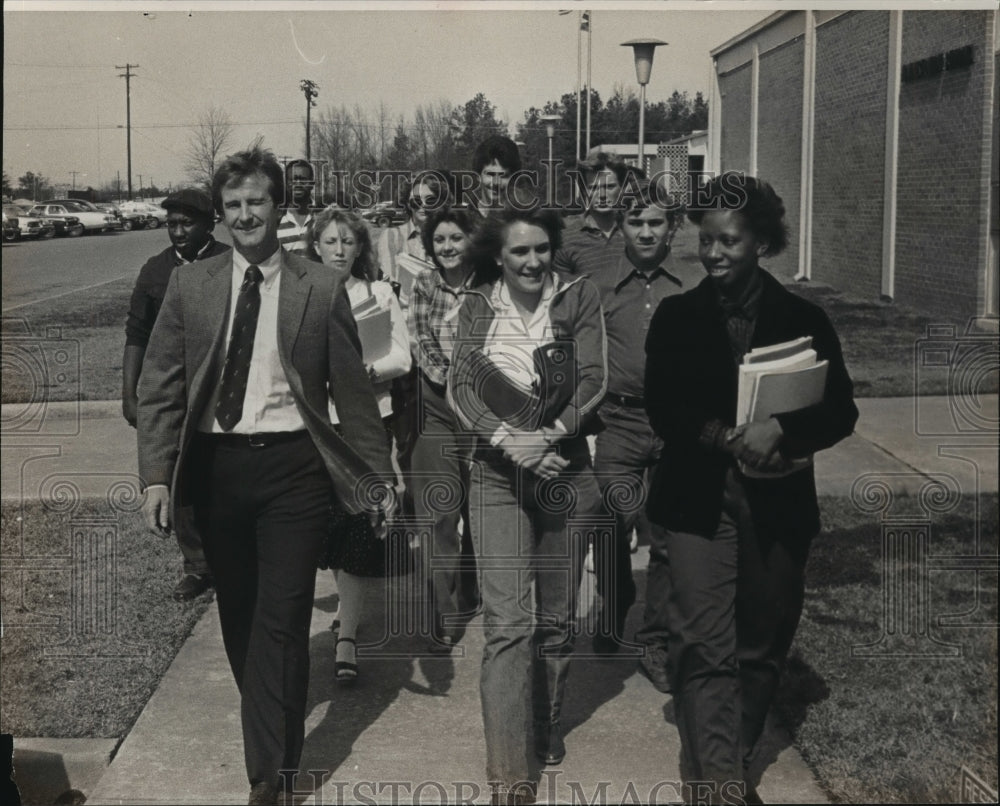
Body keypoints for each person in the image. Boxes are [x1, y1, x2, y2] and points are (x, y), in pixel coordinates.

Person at [137, 145, 394, 805]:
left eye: (257, 202)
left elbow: (355, 395)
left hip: (294, 471)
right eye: (233, 206)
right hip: (217, 473)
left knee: (281, 623)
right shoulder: (190, 286)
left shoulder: (320, 286)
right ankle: (272, 734)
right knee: (241, 621)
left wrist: (374, 478)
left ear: (278, 207)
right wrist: (156, 477)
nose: (245, 215)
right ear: (221, 217)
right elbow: (161, 386)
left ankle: (271, 778)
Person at [644, 173, 858, 803]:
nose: (712, 253)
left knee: (762, 641)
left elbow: (841, 410)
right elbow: (663, 407)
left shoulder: (805, 318)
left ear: (762, 242)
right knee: (701, 639)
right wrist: (724, 436)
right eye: (705, 240)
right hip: (696, 502)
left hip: (778, 503)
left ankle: (727, 755)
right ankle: (718, 784)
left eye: (728, 242)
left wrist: (783, 430)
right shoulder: (678, 318)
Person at [449, 202, 606, 803]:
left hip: (565, 469)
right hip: (495, 475)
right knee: (508, 626)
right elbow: (461, 384)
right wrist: (510, 442)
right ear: (499, 256)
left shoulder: (578, 296)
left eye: (541, 248)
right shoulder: (476, 303)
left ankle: (544, 722)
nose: (533, 260)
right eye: (520, 251)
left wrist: (548, 434)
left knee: (558, 621)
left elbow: (595, 378)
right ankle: (511, 781)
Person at [587, 181, 700, 685]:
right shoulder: (600, 284)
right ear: (623, 226)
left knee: (665, 537)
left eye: (656, 222)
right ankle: (615, 600)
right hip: (620, 419)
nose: (647, 231)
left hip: (678, 423)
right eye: (636, 222)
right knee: (609, 519)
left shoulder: (696, 281)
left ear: (672, 226)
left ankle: (655, 641)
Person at [308, 206, 411, 686]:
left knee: (359, 527)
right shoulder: (305, 296)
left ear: (360, 248)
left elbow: (401, 356)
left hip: (369, 420)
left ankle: (346, 637)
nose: (339, 251)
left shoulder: (378, 293)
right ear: (315, 247)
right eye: (330, 242)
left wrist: (365, 374)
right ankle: (347, 612)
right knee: (329, 528)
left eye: (348, 242)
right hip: (318, 427)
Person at [122, 187, 231, 602]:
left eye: (187, 223)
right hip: (175, 389)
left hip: (222, 386)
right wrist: (130, 393)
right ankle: (198, 566)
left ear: (209, 224)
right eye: (171, 224)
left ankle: (231, 556)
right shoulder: (155, 270)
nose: (178, 231)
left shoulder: (229, 262)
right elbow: (137, 331)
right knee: (181, 476)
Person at [408, 205, 480, 651]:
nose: (448, 247)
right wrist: (450, 378)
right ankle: (443, 609)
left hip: (487, 409)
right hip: (436, 406)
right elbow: (419, 339)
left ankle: (471, 593)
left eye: (456, 238)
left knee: (482, 512)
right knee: (439, 512)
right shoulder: (424, 284)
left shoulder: (491, 286)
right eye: (440, 240)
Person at [468, 135, 522, 217]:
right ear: (478, 176)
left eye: (503, 176)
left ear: (514, 178)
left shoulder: (522, 223)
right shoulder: (463, 220)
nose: (496, 183)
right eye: (490, 174)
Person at [277, 158, 318, 258]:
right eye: (294, 179)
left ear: (312, 184)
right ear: (286, 184)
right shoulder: (276, 221)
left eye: (303, 180)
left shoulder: (323, 217)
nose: (298, 184)